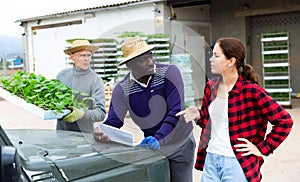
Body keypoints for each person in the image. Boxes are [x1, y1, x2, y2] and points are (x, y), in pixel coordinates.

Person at [176, 37, 293, 182]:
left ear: (231, 61)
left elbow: (285, 121)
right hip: (211, 159)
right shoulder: (211, 87)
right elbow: (210, 123)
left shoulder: (251, 91)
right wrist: (199, 115)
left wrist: (262, 148)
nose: (211, 59)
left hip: (236, 163)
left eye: (216, 56)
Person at [93, 37, 196, 182]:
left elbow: (176, 112)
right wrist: (103, 131)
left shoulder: (169, 73)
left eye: (150, 56)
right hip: (154, 147)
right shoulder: (123, 89)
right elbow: (114, 121)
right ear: (130, 65)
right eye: (143, 59)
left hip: (180, 143)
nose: (150, 62)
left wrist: (158, 138)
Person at [56, 39, 106, 133]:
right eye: (82, 55)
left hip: (84, 137)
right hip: (62, 135)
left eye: (89, 55)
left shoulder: (95, 80)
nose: (86, 59)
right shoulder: (61, 76)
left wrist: (82, 114)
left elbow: (101, 113)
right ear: (72, 57)